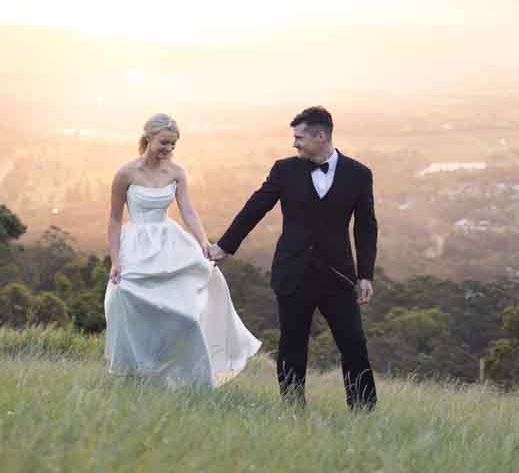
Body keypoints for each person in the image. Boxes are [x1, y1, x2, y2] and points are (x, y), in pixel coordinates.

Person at [209, 106, 378, 410]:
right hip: (293, 273)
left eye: (299, 137)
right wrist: (225, 246)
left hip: (337, 277)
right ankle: (292, 410)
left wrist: (365, 274)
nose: (294, 144)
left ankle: (363, 412)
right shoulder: (283, 170)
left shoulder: (359, 174)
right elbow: (255, 207)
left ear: (321, 135)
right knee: (292, 347)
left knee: (354, 345)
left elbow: (366, 227)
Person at [103, 113, 261, 388]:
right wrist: (116, 260)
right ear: (149, 137)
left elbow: (188, 209)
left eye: (173, 145)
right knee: (126, 297)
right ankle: (138, 374)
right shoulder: (125, 173)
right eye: (164, 143)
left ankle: (189, 379)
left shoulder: (176, 173)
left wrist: (202, 240)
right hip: (136, 244)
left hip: (169, 242)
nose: (168, 150)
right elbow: (115, 219)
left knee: (187, 316)